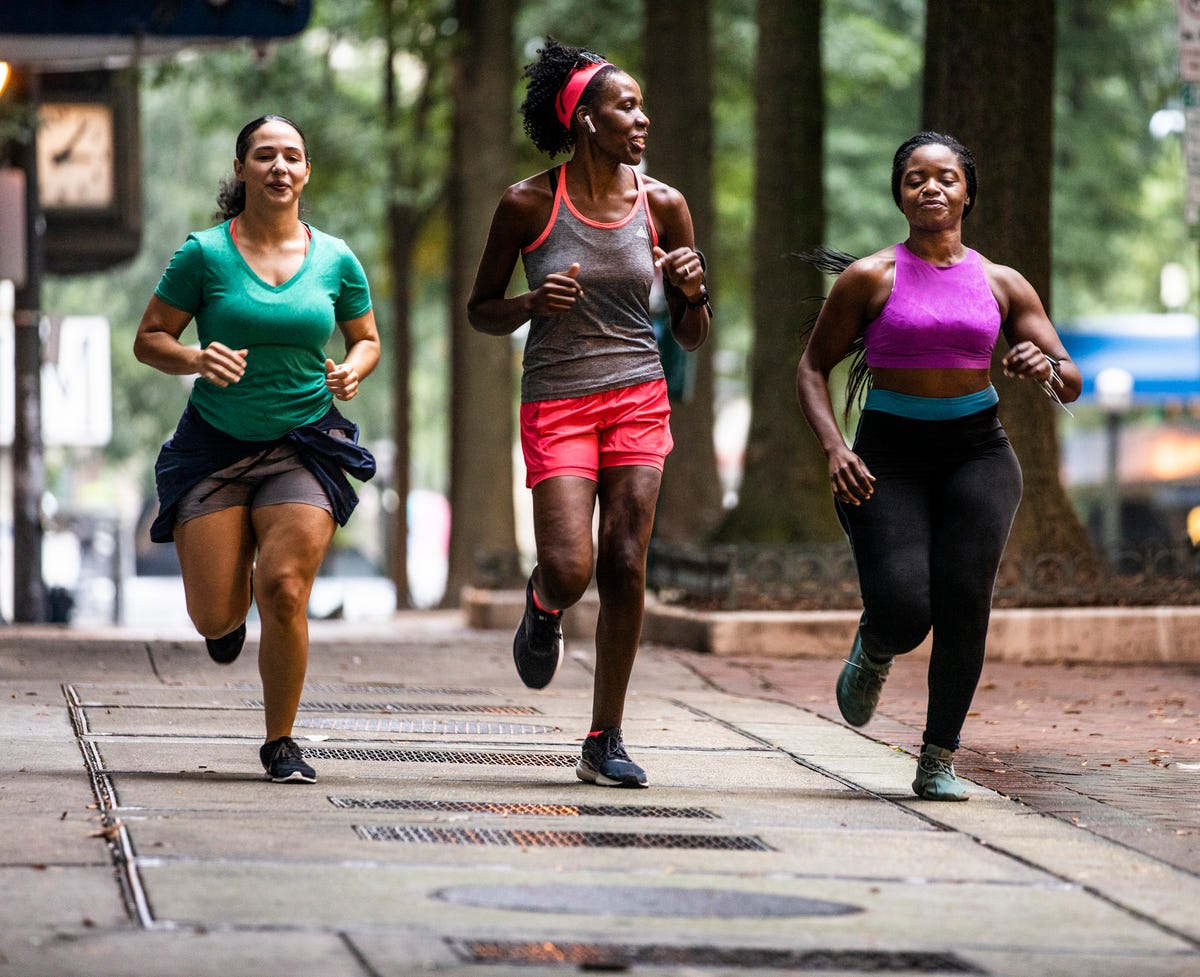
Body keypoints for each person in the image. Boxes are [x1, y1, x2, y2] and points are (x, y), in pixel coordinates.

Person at [795, 132, 1081, 801]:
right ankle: (876, 641)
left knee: (963, 604)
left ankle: (938, 756)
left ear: (967, 193)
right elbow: (811, 367)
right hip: (886, 457)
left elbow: (1069, 379)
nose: (931, 188)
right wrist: (837, 447)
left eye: (946, 178)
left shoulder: (1002, 282)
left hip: (977, 455)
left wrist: (1046, 366)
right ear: (899, 193)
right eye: (916, 178)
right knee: (904, 604)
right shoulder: (869, 278)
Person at [467, 38, 711, 788]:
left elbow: (692, 335)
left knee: (627, 560)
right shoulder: (528, 204)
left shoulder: (663, 204)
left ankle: (604, 736)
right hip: (559, 398)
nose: (642, 118)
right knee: (573, 567)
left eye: (641, 105)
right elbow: (481, 310)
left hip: (638, 393)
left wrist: (694, 294)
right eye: (626, 106)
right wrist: (533, 302)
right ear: (585, 120)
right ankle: (544, 605)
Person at [133, 115, 381, 785]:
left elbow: (366, 336)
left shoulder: (335, 258)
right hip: (214, 445)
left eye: (292, 156)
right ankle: (226, 608)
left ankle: (281, 741)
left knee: (285, 586)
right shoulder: (204, 254)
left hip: (303, 440)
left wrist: (354, 366)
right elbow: (149, 336)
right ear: (240, 169)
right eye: (265, 155)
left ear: (306, 172)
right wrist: (193, 355)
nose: (279, 166)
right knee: (214, 612)